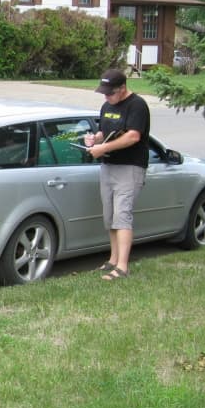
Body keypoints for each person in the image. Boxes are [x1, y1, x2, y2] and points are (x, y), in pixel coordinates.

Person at [84, 69, 150, 280]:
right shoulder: (106, 106)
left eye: (110, 93)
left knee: (122, 215)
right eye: (104, 93)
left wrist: (102, 149)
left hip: (130, 167)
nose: (106, 97)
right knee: (110, 216)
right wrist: (95, 139)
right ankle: (112, 260)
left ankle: (122, 267)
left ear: (122, 89)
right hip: (108, 166)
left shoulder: (137, 105)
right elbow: (106, 131)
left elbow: (132, 136)